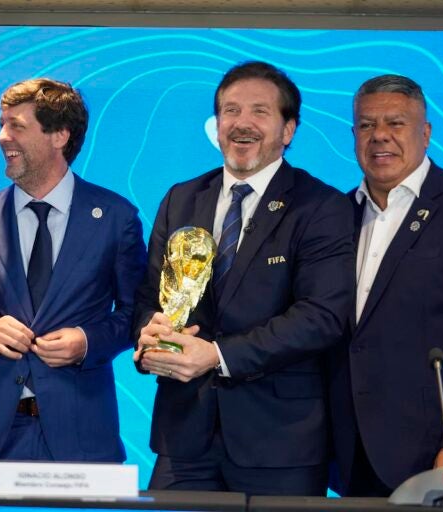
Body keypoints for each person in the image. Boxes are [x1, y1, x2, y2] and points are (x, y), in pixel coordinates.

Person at [133, 61, 355, 495]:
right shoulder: (181, 198)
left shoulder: (321, 206)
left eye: (259, 111)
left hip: (278, 443)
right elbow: (147, 298)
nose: (242, 124)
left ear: (288, 129)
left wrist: (217, 355)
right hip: (184, 437)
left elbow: (321, 316)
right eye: (230, 111)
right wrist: (150, 336)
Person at [328, 74, 443, 496]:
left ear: (425, 133)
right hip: (355, 458)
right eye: (367, 124)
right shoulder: (336, 216)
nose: (380, 137)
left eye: (396, 123)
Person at [0, 78, 147, 464]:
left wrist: (88, 341)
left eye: (17, 126)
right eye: (1, 124)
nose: (1, 137)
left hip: (83, 435)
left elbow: (136, 314)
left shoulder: (116, 218)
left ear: (59, 135)